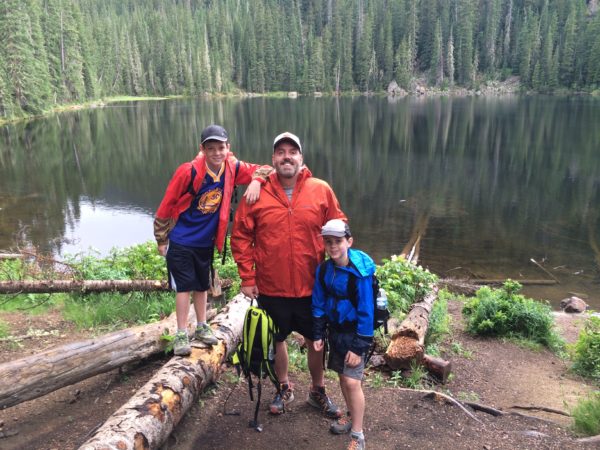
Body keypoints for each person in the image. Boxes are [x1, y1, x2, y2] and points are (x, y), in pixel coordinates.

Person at [231, 131, 346, 418]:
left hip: (312, 286)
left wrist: (341, 266)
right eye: (281, 152)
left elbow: (339, 225)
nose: (286, 156)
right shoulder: (257, 193)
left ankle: (317, 390)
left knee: (315, 340)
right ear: (273, 159)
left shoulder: (320, 189)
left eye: (292, 152)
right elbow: (241, 235)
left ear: (301, 158)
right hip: (272, 285)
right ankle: (283, 387)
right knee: (277, 339)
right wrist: (248, 277)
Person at [154, 124, 271, 356]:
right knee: (184, 287)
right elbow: (166, 205)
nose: (216, 153)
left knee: (202, 284)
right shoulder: (189, 172)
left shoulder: (232, 168)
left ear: (228, 148)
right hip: (181, 240)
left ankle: (201, 326)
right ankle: (180, 333)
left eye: (221, 147)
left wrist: (256, 181)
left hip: (205, 242)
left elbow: (266, 169)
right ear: (202, 149)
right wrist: (161, 238)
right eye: (211, 148)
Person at [312, 219, 375, 450]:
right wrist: (318, 334)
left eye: (338, 241)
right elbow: (318, 303)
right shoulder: (324, 270)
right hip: (335, 332)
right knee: (341, 376)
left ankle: (358, 435)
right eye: (328, 242)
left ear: (349, 241)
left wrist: (358, 347)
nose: (333, 247)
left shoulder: (360, 274)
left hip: (355, 334)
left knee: (351, 381)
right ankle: (349, 416)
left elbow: (366, 312)